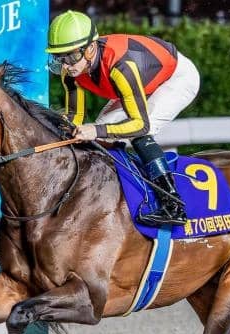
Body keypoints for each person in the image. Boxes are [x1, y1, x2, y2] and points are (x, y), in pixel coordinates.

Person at [46, 10, 201, 227]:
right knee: (99, 138)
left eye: (70, 56)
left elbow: (140, 124)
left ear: (90, 49)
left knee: (138, 133)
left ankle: (173, 204)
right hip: (137, 83)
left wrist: (95, 130)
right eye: (58, 57)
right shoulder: (70, 72)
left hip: (175, 79)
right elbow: (75, 117)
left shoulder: (120, 67)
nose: (65, 65)